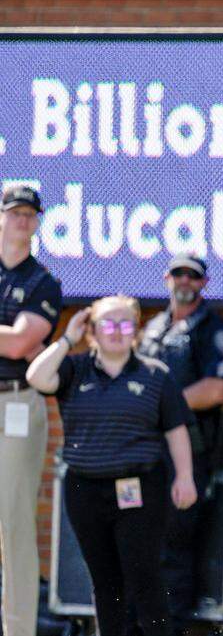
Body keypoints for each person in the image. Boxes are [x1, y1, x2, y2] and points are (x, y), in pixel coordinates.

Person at [26, 294, 197, 636]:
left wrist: (185, 476)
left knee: (144, 576)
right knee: (105, 582)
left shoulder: (155, 375)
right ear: (93, 332)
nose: (116, 332)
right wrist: (66, 339)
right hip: (85, 488)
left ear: (135, 331)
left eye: (125, 324)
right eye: (108, 324)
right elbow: (36, 377)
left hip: (140, 488)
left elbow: (176, 429)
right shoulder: (74, 368)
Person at [138, 253, 223, 621]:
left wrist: (163, 406)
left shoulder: (214, 328)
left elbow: (216, 389)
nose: (184, 282)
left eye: (193, 276)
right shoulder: (151, 328)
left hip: (190, 454)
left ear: (203, 283)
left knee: (175, 541)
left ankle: (171, 626)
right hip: (144, 451)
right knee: (143, 540)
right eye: (178, 274)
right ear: (166, 278)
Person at [0, 185, 63, 636]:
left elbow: (22, 343)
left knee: (15, 523)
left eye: (29, 214)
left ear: (38, 222)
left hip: (16, 401)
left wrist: (16, 339)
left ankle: (16, 630)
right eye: (14, 212)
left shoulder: (43, 281)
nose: (22, 220)